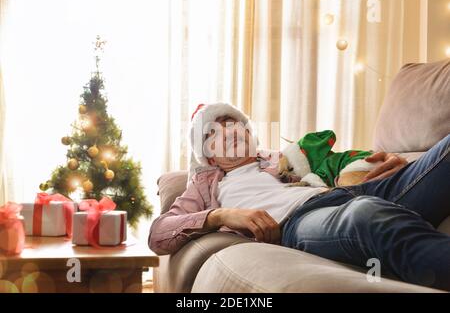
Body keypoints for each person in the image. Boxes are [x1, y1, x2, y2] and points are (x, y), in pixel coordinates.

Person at [148, 103, 450, 291]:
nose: (229, 131)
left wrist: (386, 161)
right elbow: (159, 235)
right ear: (209, 158)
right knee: (364, 213)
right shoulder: (207, 183)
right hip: (300, 222)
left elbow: (341, 162)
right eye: (212, 132)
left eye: (234, 123)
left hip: (351, 193)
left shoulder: (285, 160)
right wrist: (221, 216)